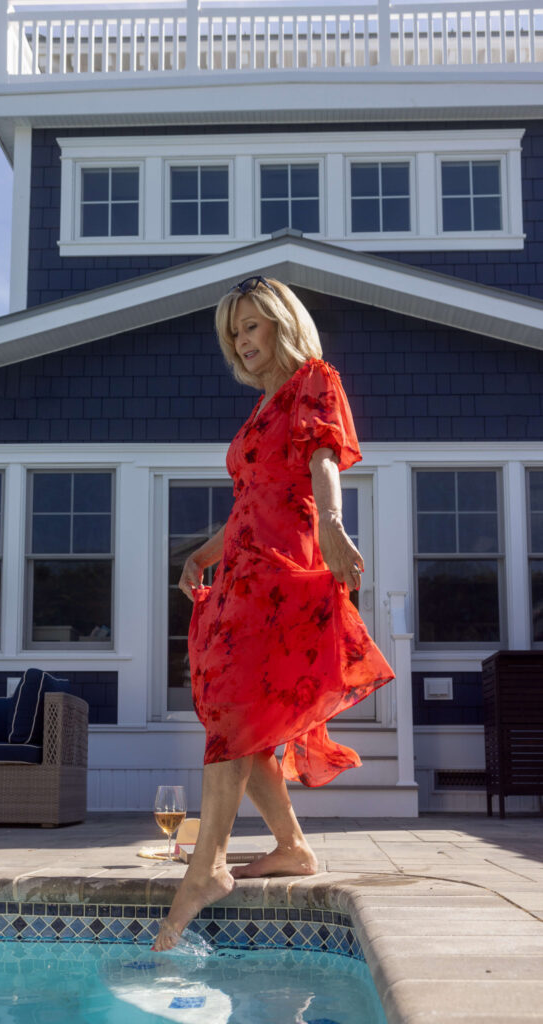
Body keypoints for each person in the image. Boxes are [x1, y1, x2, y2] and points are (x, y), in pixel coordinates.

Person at [152, 276, 394, 952]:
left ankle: (206, 868)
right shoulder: (258, 413)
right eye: (234, 332)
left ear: (282, 324)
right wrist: (200, 556)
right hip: (240, 581)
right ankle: (290, 847)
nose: (242, 341)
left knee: (232, 714)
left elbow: (322, 461)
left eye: (252, 326)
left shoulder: (314, 381)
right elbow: (246, 509)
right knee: (240, 718)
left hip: (283, 581)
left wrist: (335, 528)